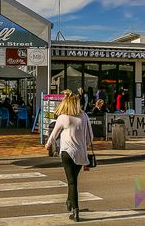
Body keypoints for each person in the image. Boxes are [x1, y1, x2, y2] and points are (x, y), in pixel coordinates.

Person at [44, 91, 93, 222]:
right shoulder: (84, 116)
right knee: (73, 179)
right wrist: (84, 144)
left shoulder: (63, 117)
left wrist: (48, 144)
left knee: (72, 182)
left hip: (67, 152)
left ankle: (75, 210)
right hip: (81, 153)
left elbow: (54, 134)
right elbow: (90, 137)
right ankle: (69, 201)